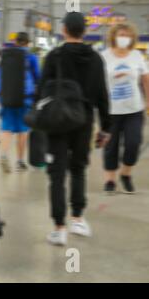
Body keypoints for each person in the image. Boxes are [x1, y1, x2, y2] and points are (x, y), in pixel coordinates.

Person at [38, 12, 111, 246]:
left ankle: (59, 228)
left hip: (58, 120)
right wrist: (105, 128)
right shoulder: (96, 59)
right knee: (78, 168)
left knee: (56, 174)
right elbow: (102, 95)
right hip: (84, 120)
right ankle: (78, 218)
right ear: (85, 31)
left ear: (64, 30)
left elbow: (41, 92)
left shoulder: (54, 56)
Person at [101, 23, 149, 194]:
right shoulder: (104, 56)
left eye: (127, 35)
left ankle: (126, 174)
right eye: (121, 34)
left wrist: (148, 101)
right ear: (114, 36)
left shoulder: (136, 55)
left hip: (134, 109)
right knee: (110, 146)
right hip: (110, 111)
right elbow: (97, 82)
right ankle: (110, 180)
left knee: (133, 143)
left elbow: (145, 78)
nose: (124, 38)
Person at [0, 32, 40, 172]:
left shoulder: (5, 56)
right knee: (23, 130)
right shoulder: (31, 57)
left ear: (16, 42)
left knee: (6, 128)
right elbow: (38, 77)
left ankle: (3, 155)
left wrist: (0, 97)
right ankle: (20, 162)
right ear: (28, 43)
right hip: (25, 98)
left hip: (7, 97)